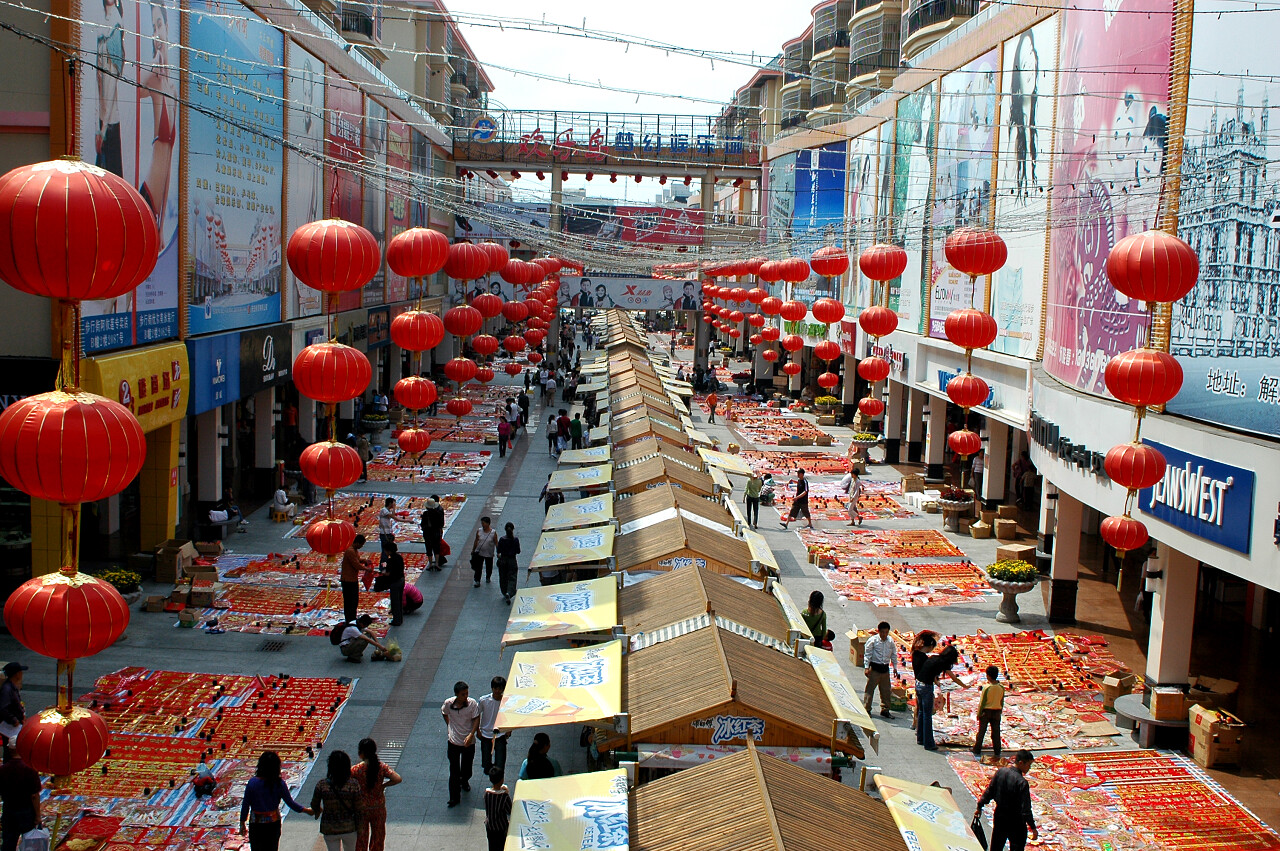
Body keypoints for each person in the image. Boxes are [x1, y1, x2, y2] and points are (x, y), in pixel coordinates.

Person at [240, 750, 312, 851]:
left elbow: (245, 805)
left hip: (256, 824)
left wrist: (242, 822)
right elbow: (290, 803)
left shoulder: (252, 783)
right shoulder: (279, 784)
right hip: (273, 823)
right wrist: (306, 810)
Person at [976, 750, 1038, 851]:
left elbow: (989, 791)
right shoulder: (1022, 783)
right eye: (1029, 765)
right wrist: (1033, 827)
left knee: (997, 844)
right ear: (1021, 763)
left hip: (1000, 815)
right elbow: (1026, 809)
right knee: (1016, 846)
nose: (1029, 768)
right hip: (1016, 821)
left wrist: (980, 806)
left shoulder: (1001, 772)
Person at [911, 632, 962, 751]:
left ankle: (921, 738)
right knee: (927, 715)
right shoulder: (933, 660)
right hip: (926, 687)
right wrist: (965, 685)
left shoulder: (923, 656)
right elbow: (953, 677)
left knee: (922, 712)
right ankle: (929, 743)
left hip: (919, 684)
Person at [310, 750, 364, 851]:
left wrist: (318, 810)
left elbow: (314, 804)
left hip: (329, 828)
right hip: (350, 827)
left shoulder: (322, 785)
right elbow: (359, 809)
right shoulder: (353, 784)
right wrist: (360, 828)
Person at [352, 739, 400, 851]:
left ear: (361, 753)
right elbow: (397, 778)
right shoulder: (381, 767)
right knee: (378, 837)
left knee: (361, 838)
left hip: (362, 808)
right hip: (378, 807)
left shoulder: (356, 769)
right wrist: (383, 786)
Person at [442, 681, 481, 808]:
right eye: (463, 694)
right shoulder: (449, 703)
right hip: (453, 742)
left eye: (467, 693)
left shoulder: (472, 704)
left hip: (468, 742)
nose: (466, 696)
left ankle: (464, 780)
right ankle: (454, 797)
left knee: (467, 767)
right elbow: (444, 713)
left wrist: (471, 734)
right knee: (454, 770)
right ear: (456, 695)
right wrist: (450, 726)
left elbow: (476, 719)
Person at [0, 745, 40, 851]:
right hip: (26, 811)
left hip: (9, 810)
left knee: (8, 842)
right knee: (29, 843)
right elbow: (34, 796)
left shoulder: (3, 769)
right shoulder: (30, 768)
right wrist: (38, 816)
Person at [863, 621, 898, 718]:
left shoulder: (890, 641)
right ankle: (867, 709)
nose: (884, 634)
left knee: (886, 690)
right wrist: (866, 667)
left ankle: (885, 709)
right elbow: (868, 654)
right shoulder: (873, 641)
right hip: (875, 668)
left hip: (885, 669)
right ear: (878, 631)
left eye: (886, 632)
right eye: (882, 632)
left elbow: (894, 654)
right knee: (870, 690)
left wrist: (895, 667)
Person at [477, 676, 511, 777]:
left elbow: (509, 715)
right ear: (492, 688)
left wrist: (509, 729)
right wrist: (477, 730)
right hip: (486, 734)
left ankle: (497, 780)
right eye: (496, 688)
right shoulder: (484, 700)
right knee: (486, 762)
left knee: (500, 762)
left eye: (500, 689)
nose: (498, 691)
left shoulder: (506, 701)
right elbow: (477, 714)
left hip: (500, 734)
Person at [974, 665, 1005, 761]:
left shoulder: (987, 688)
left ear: (988, 676)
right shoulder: (1001, 687)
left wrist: (979, 714)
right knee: (996, 732)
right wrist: (1000, 711)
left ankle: (977, 749)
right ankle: (997, 750)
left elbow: (982, 702)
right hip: (997, 711)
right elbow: (1001, 701)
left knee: (982, 731)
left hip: (986, 712)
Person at [340, 535, 368, 623]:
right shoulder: (350, 551)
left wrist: (364, 561)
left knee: (354, 601)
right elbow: (356, 564)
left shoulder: (354, 550)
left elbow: (357, 560)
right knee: (350, 601)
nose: (361, 547)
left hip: (352, 579)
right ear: (357, 543)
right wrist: (367, 569)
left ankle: (352, 618)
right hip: (348, 580)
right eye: (361, 545)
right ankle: (349, 619)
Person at [483, 768, 512, 851]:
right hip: (501, 828)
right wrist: (506, 792)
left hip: (490, 826)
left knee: (492, 846)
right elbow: (509, 810)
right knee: (501, 847)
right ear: (502, 780)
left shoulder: (487, 794)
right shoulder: (504, 796)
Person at [0, 663, 26, 744]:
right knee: (10, 747)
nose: (22, 674)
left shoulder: (11, 687)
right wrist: (13, 720)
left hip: (15, 725)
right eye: (21, 672)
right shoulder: (7, 689)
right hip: (9, 728)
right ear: (17, 674)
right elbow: (2, 708)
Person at [496, 523, 521, 604]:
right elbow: (518, 551)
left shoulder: (502, 539)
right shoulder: (515, 540)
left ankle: (504, 591)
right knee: (512, 577)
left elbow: (498, 551)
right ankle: (510, 592)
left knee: (503, 576)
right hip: (512, 560)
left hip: (503, 560)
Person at [382, 543, 405, 627]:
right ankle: (400, 618)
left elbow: (388, 573)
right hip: (401, 580)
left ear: (388, 550)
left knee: (395, 601)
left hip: (395, 582)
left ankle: (396, 620)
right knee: (399, 600)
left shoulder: (390, 560)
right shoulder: (399, 557)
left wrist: (383, 573)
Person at [472, 516, 498, 588]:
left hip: (489, 553)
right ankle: (477, 580)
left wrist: (498, 552)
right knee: (478, 567)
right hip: (479, 552)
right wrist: (473, 550)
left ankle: (488, 576)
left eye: (483, 523)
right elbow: (476, 540)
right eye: (482, 523)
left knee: (489, 566)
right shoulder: (479, 531)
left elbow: (496, 543)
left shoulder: (493, 533)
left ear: (488, 524)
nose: (482, 525)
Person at [420, 496, 445, 571]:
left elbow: (423, 524)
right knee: (436, 548)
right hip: (436, 533)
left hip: (428, 533)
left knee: (429, 548)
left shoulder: (425, 514)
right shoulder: (438, 513)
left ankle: (430, 564)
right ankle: (436, 563)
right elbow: (441, 524)